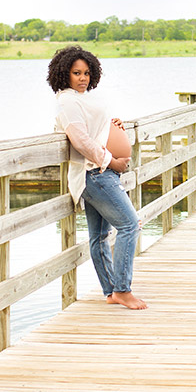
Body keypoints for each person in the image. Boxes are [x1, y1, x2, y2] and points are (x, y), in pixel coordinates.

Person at [47, 45, 147, 310]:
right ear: (63, 74)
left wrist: (113, 126)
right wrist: (111, 160)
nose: (83, 78)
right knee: (129, 225)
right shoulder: (67, 100)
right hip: (96, 174)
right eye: (76, 73)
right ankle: (122, 290)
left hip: (98, 174)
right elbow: (80, 140)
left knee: (100, 236)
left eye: (87, 73)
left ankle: (111, 291)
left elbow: (94, 129)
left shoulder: (82, 98)